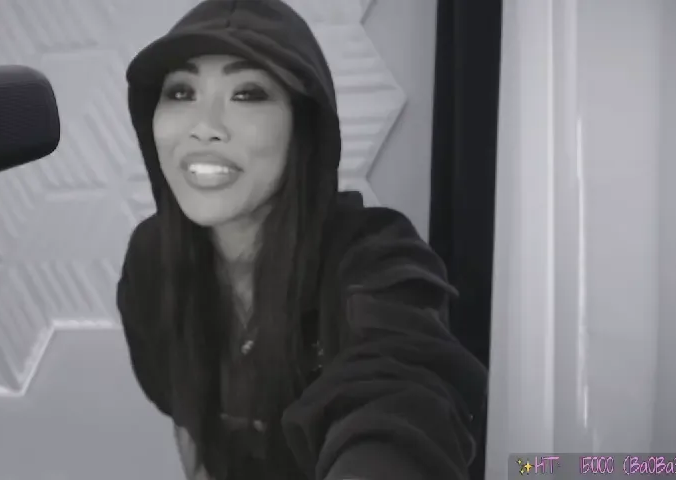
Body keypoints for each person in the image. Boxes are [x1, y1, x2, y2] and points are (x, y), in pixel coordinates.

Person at [117, 0, 488, 479]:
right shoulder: (150, 260)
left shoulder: (372, 256)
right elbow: (189, 421)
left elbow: (402, 393)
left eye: (248, 93)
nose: (203, 126)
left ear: (303, 125)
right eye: (181, 92)